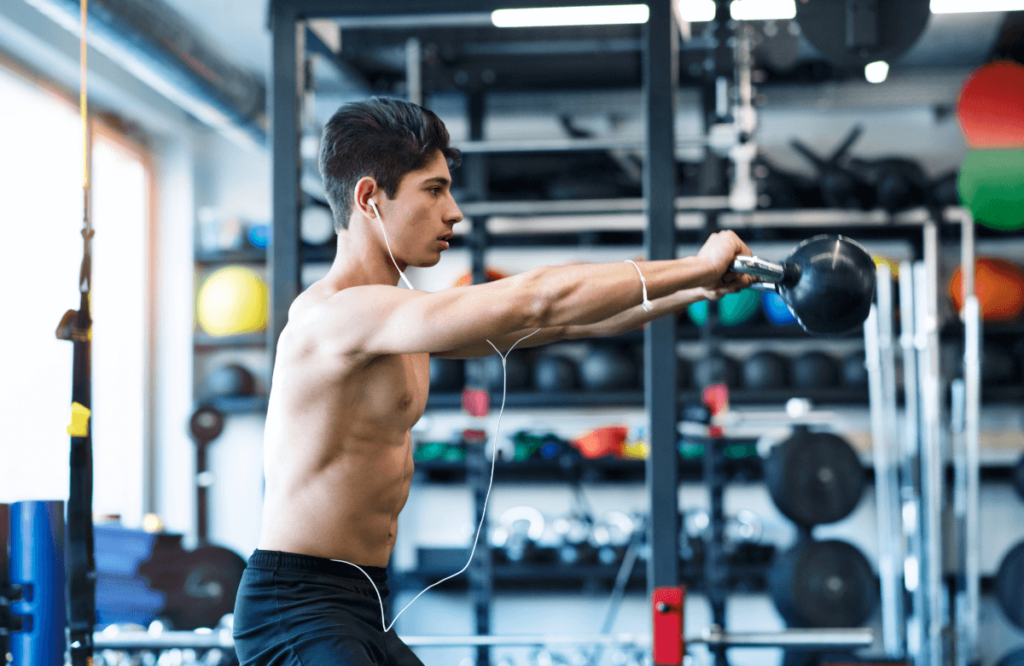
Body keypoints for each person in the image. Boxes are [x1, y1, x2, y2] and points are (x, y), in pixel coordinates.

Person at [232, 97, 756, 666]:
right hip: (298, 605)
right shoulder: (336, 316)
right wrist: (695, 265)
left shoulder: (402, 320)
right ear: (368, 199)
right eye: (433, 190)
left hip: (366, 602)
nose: (454, 212)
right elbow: (536, 299)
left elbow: (561, 321)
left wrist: (691, 293)